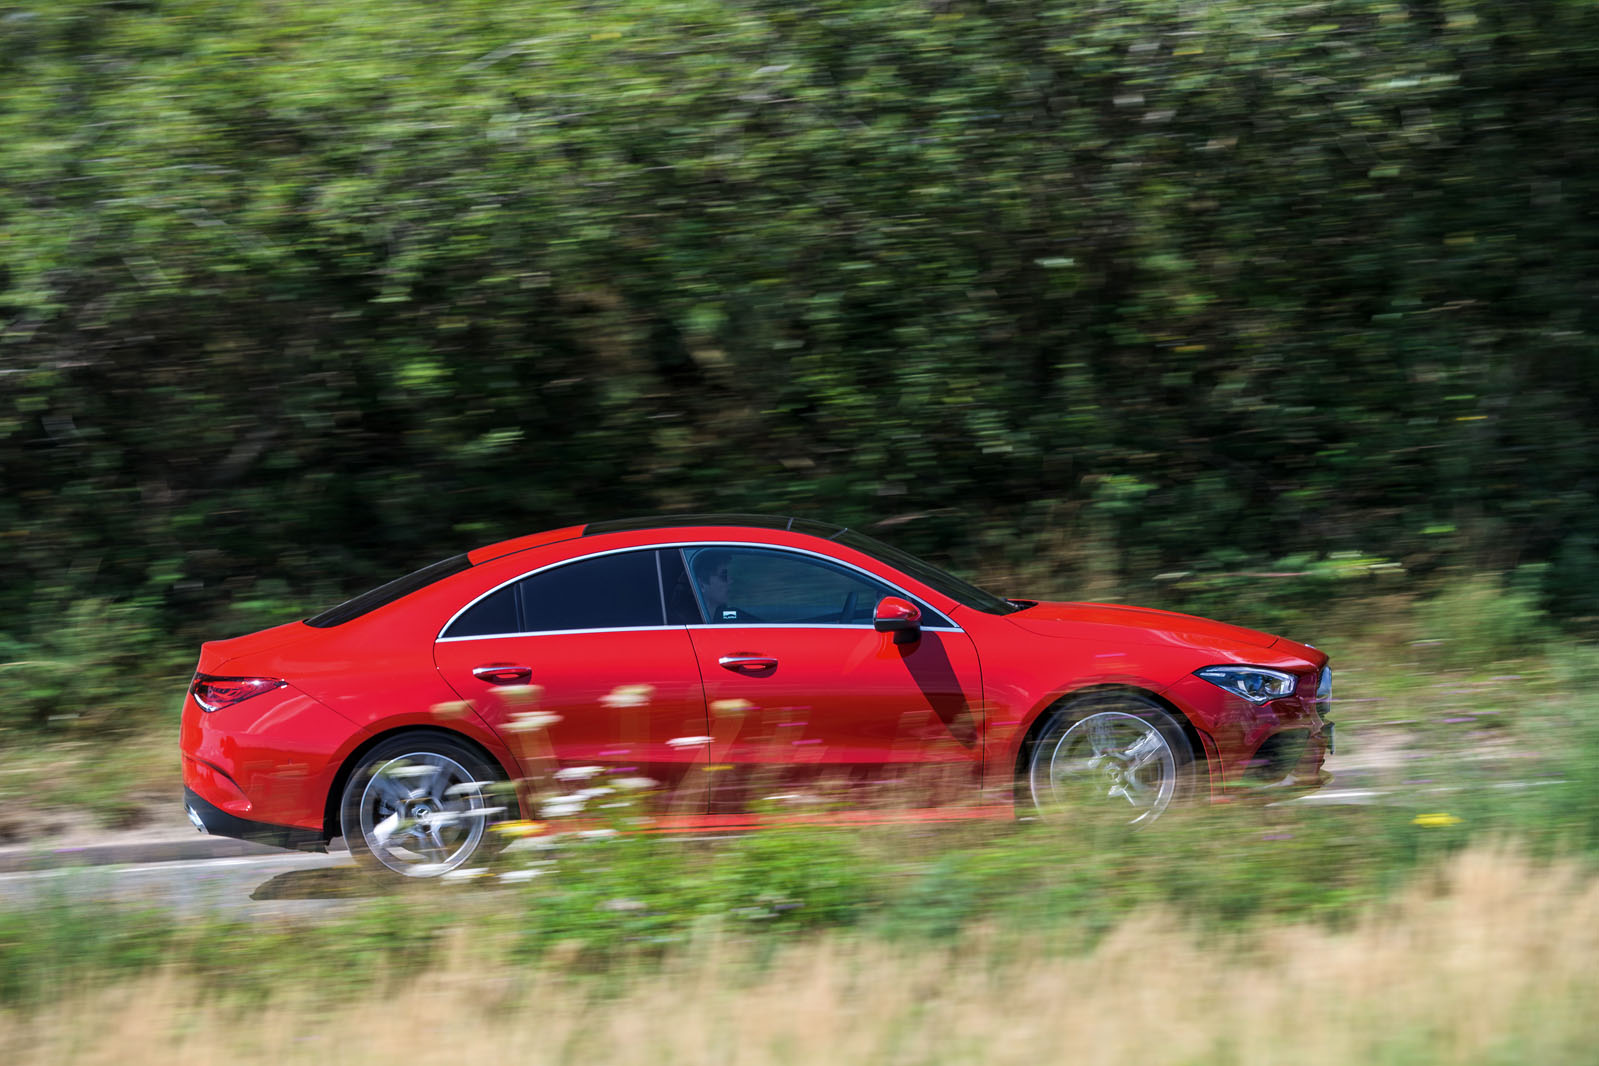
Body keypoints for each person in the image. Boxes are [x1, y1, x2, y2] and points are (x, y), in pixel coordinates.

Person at [692, 550, 737, 621]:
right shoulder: (689, 621)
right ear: (702, 585)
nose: (730, 581)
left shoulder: (727, 617)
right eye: (724, 576)